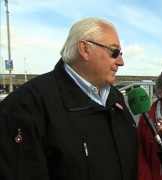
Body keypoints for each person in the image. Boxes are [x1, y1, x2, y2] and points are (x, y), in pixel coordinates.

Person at [0, 18, 137, 180]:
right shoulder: (25, 106)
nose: (121, 62)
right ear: (85, 49)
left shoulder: (116, 98)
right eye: (114, 52)